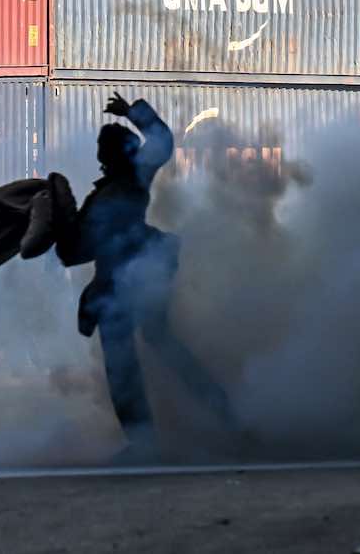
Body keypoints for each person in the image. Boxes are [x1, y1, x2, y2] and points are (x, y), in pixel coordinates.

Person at [68, 94, 233, 453]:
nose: (100, 157)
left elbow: (162, 141)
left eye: (106, 149)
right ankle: (221, 411)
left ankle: (146, 438)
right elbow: (75, 250)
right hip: (128, 275)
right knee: (157, 342)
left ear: (118, 153)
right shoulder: (108, 192)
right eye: (102, 149)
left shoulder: (131, 179)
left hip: (135, 275)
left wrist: (132, 113)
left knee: (123, 358)